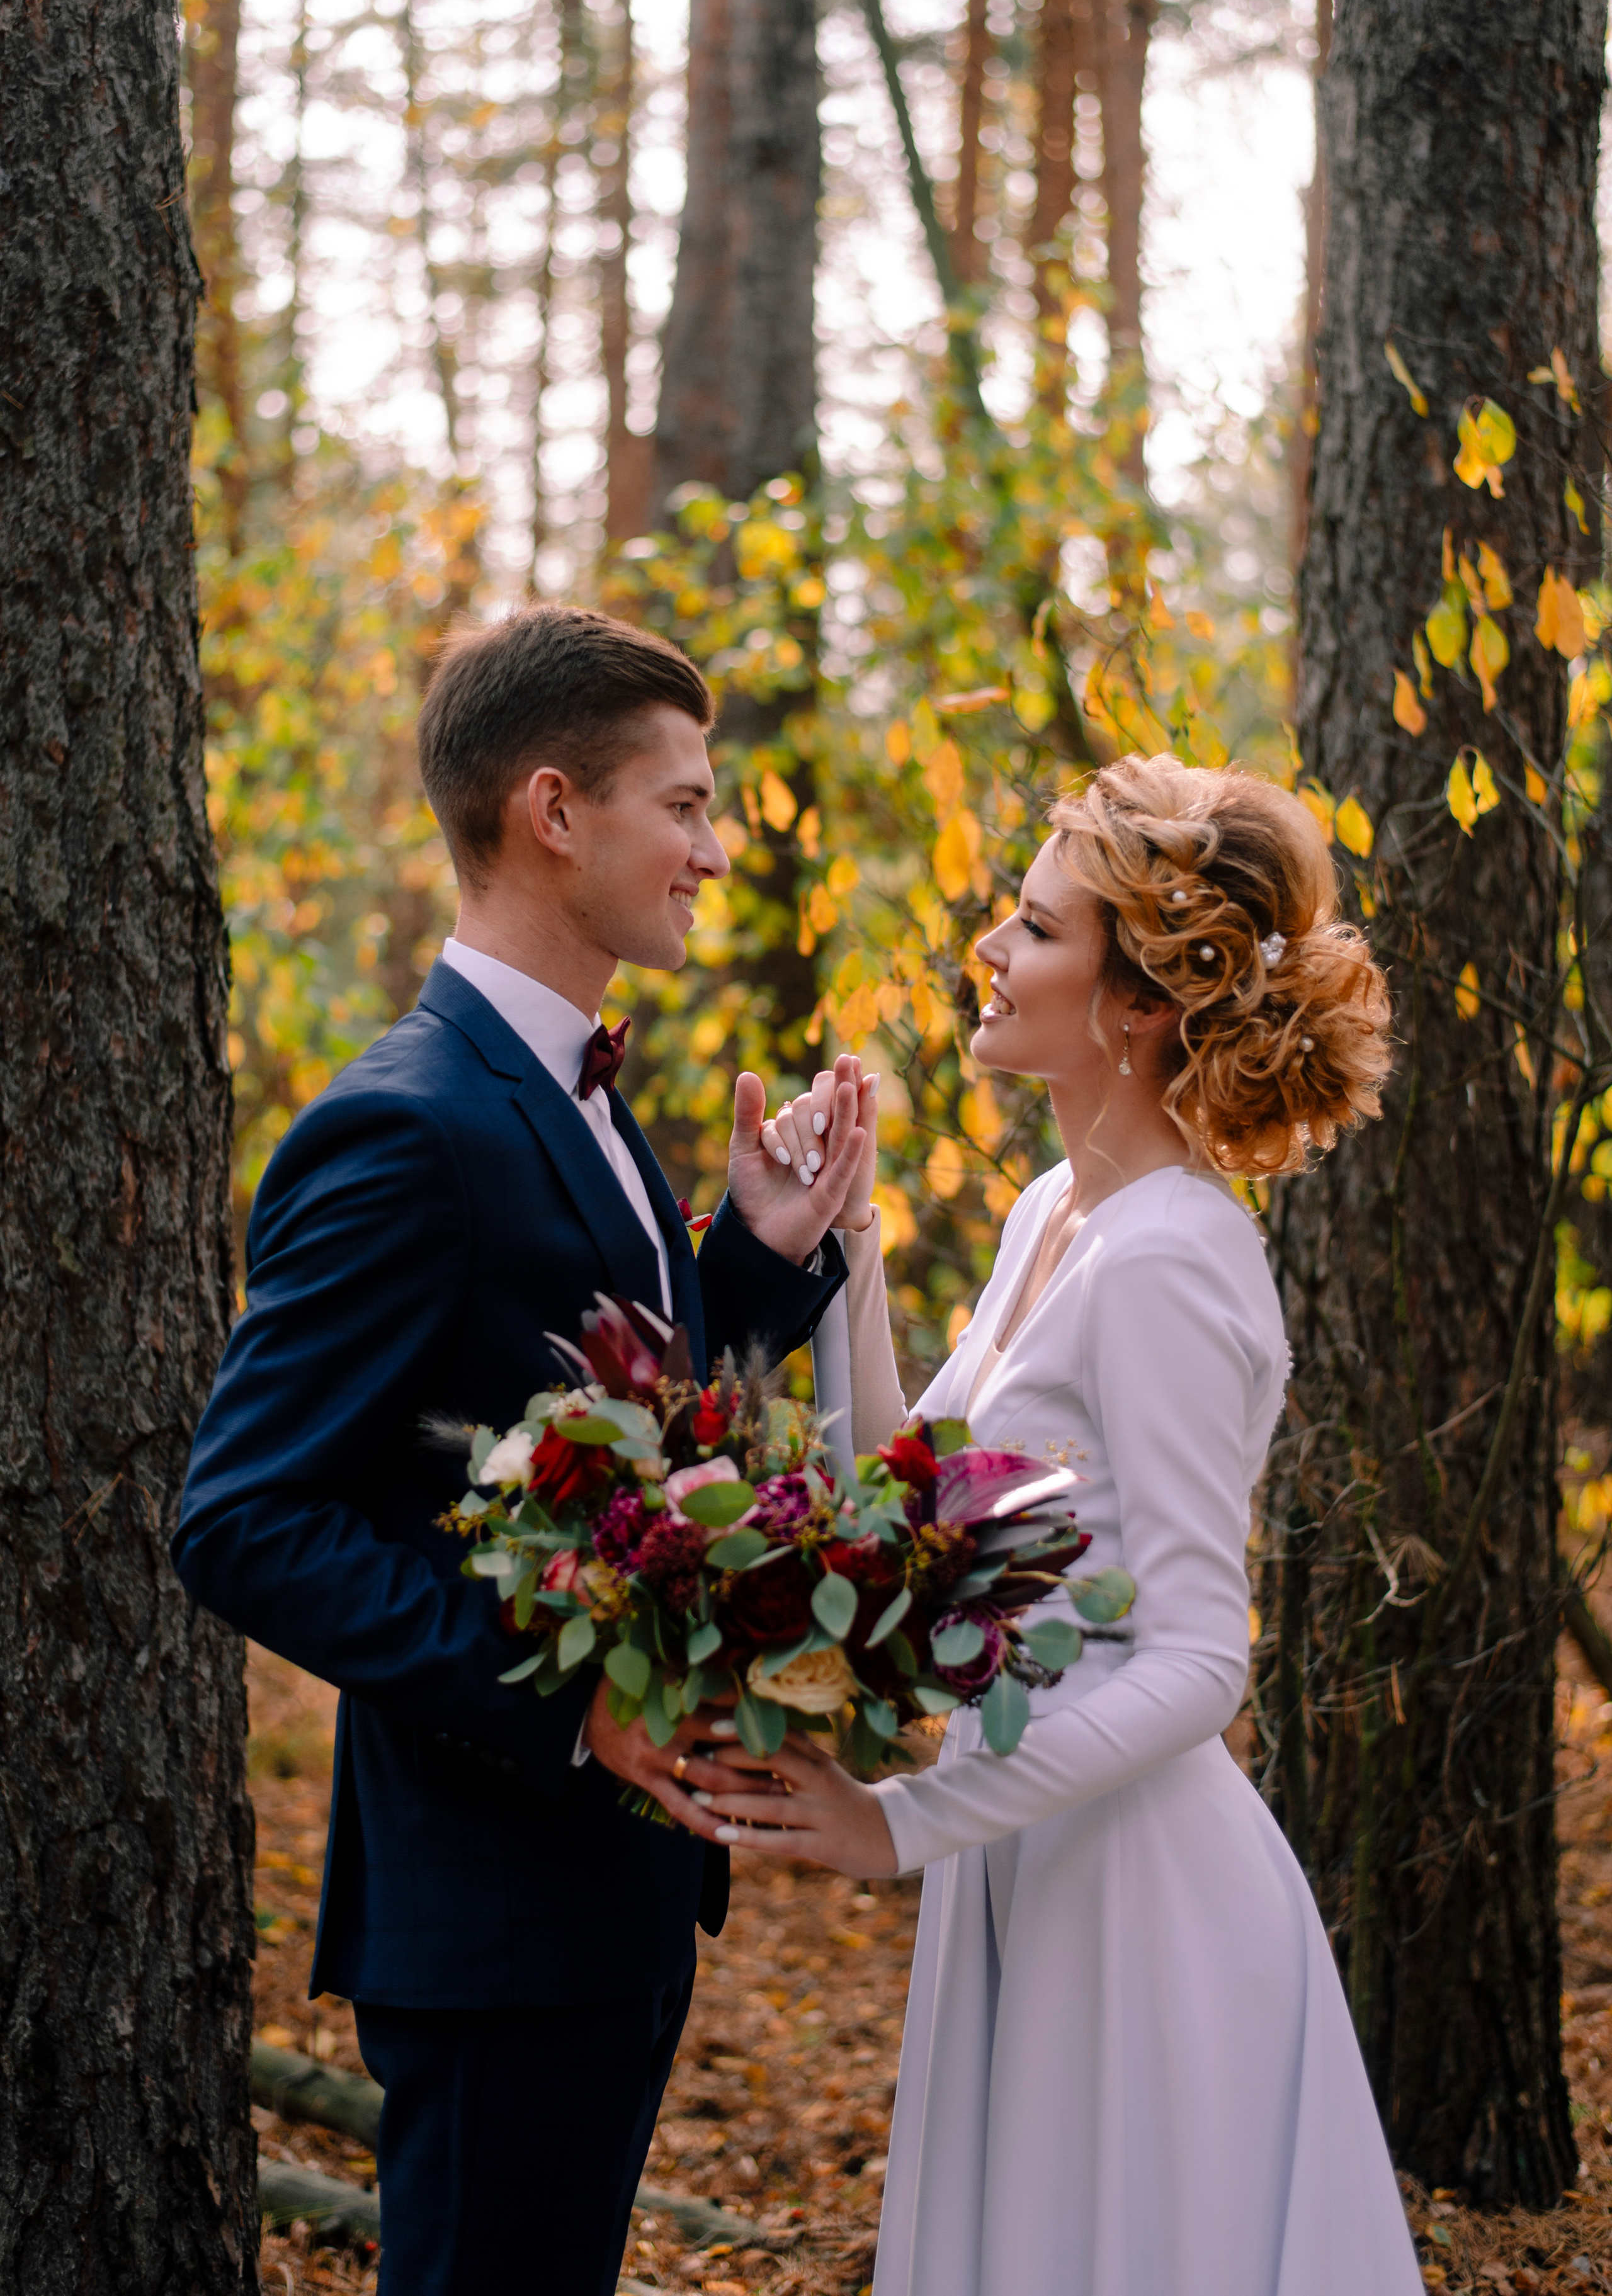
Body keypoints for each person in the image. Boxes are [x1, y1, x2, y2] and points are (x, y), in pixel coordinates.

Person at [172, 604, 871, 2296]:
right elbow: (244, 1513)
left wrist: (755, 1264)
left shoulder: (585, 1096)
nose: (713, 851)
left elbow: (626, 1428)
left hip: (602, 1898)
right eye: (684, 805)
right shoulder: (403, 1125)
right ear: (554, 813)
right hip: (488, 1895)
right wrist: (576, 1705)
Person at [686, 753, 1425, 2295]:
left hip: (1136, 1902)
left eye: (1030, 928)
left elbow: (1196, 1666)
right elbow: (909, 1491)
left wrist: (897, 1824)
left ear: (1138, 1005)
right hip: (1023, 1850)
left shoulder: (1170, 1263)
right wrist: (849, 1244)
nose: (989, 952)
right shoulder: (1053, 1216)